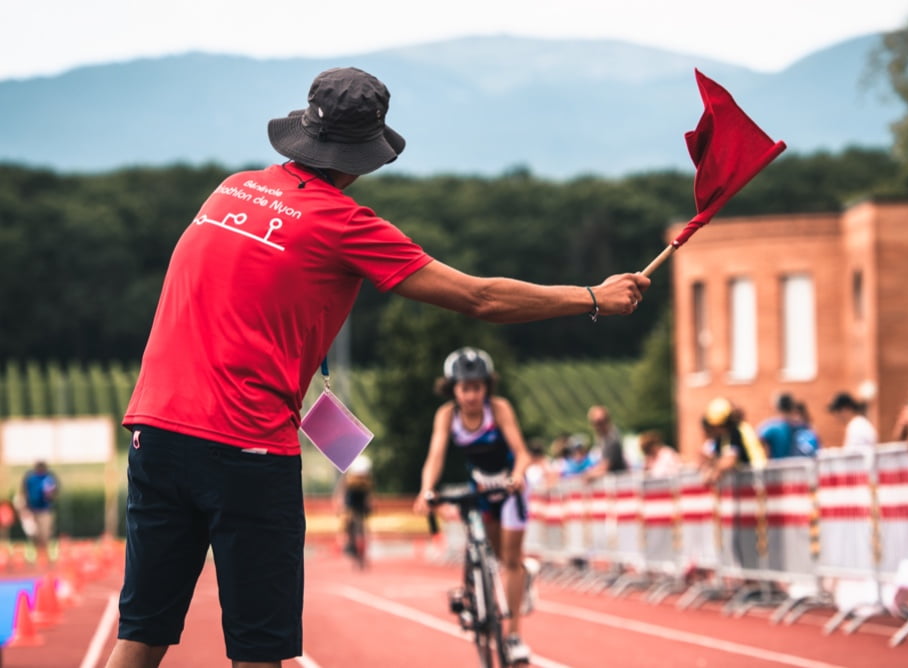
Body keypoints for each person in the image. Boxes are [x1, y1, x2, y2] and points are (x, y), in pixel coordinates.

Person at [107, 67, 650, 668]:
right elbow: (480, 298)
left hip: (154, 432)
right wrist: (593, 296)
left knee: (142, 632)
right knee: (258, 651)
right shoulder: (344, 223)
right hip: (248, 447)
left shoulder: (230, 190)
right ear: (363, 155)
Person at [413, 348, 537, 663]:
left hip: (510, 487)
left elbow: (522, 452)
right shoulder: (446, 416)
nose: (471, 395)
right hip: (480, 489)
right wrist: (427, 490)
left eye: (477, 387)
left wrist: (519, 476)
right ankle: (513, 580)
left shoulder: (499, 409)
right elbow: (435, 456)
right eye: (465, 388)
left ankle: (513, 636)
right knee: (493, 556)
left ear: (487, 387)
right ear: (453, 388)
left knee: (510, 559)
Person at [698, 397, 767, 484]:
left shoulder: (737, 431)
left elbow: (729, 460)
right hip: (753, 482)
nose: (714, 431)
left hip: (758, 480)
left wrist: (714, 471)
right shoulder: (724, 436)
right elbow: (716, 457)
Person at [333, 454, 374, 568]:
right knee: (348, 520)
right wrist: (341, 505)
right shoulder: (348, 478)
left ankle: (363, 550)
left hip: (361, 500)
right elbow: (342, 491)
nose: (361, 477)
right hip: (351, 500)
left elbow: (369, 494)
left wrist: (370, 503)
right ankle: (349, 542)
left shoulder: (367, 479)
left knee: (363, 525)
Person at [20, 460, 58, 566]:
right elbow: (24, 492)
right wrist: (25, 508)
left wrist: (50, 494)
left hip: (45, 510)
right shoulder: (30, 478)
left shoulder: (49, 478)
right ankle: (38, 555)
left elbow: (54, 492)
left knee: (45, 534)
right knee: (34, 534)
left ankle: (45, 556)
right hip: (32, 510)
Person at [584, 405, 627, 479]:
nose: (600, 426)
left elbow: (604, 468)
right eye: (596, 423)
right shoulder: (600, 441)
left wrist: (588, 475)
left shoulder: (612, 441)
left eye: (602, 422)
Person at [757, 392, 797, 459]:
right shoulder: (804, 427)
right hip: (799, 466)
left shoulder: (770, 427)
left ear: (776, 406)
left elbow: (755, 443)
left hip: (777, 466)